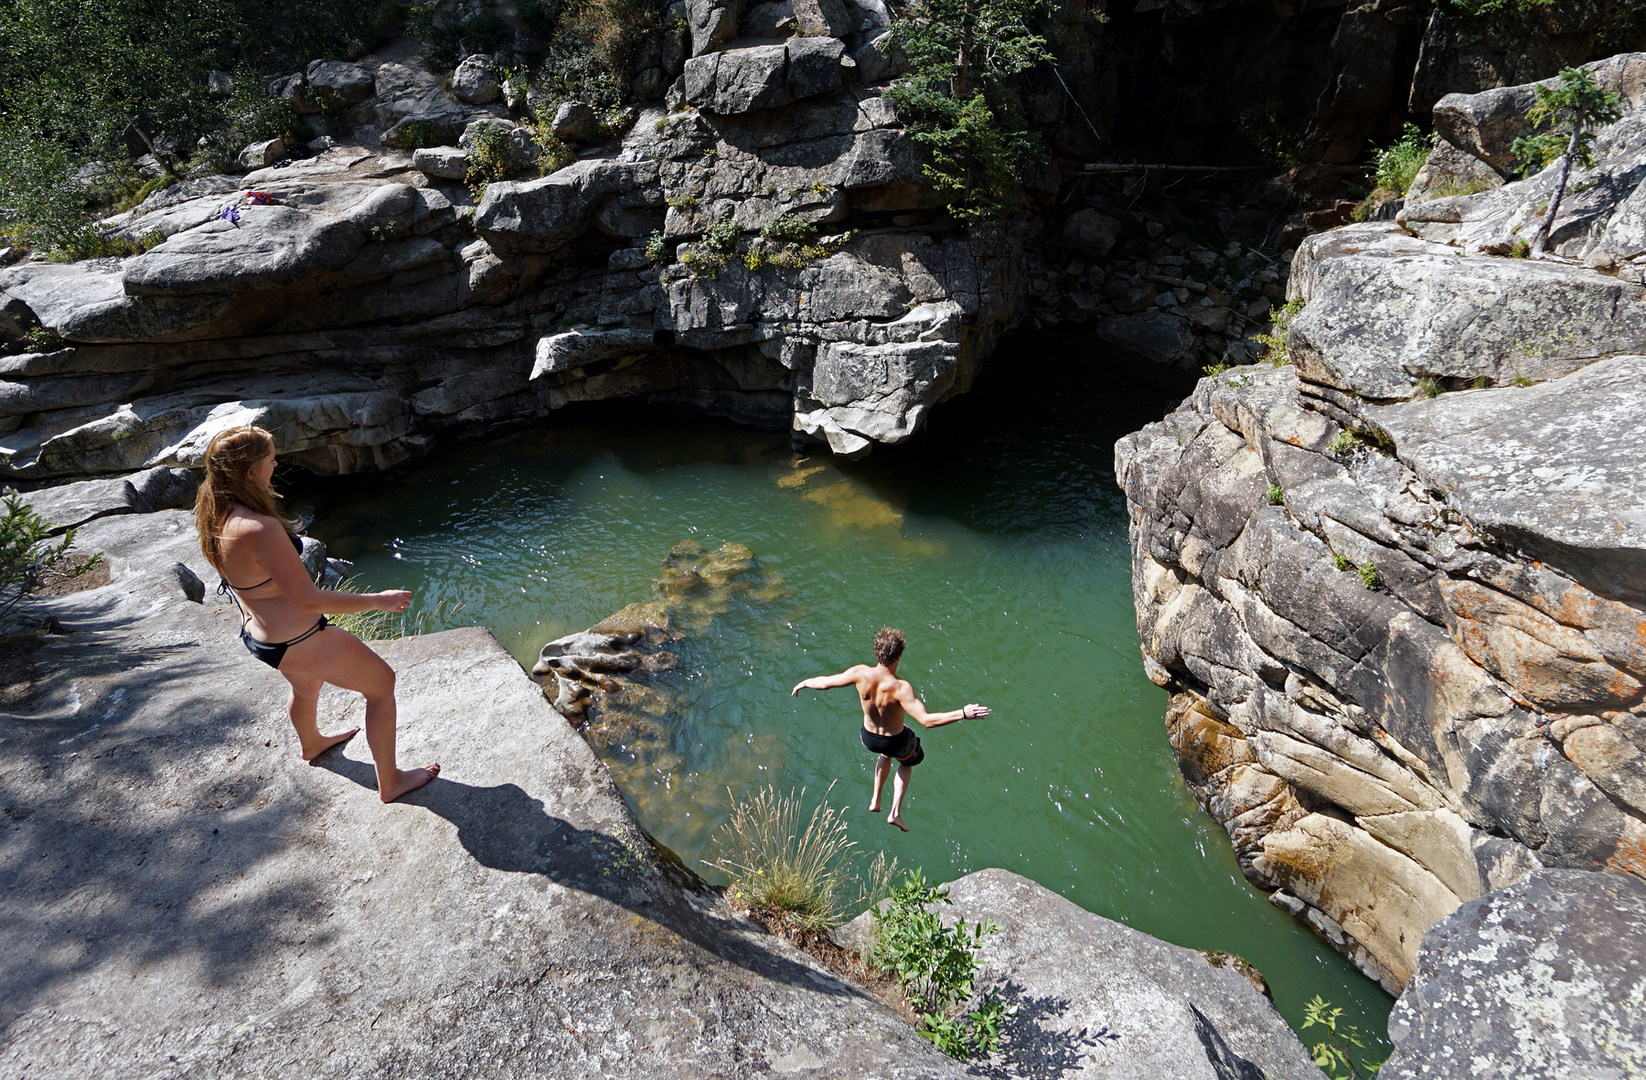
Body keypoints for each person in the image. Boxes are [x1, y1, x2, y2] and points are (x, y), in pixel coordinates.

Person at [195, 425, 439, 803]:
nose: (276, 464)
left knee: (305, 687)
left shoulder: (215, 513)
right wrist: (378, 600)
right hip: (300, 638)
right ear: (251, 471)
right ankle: (391, 782)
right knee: (382, 685)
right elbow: (308, 601)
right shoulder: (261, 528)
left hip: (261, 637)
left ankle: (311, 744)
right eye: (271, 459)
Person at [790, 627, 989, 831]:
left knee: (884, 752)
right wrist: (963, 713)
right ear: (898, 657)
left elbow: (826, 683)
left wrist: (805, 683)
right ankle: (894, 812)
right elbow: (926, 720)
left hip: (868, 738)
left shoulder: (860, 673)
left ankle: (875, 798)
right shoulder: (900, 688)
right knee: (908, 761)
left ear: (877, 653)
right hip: (895, 742)